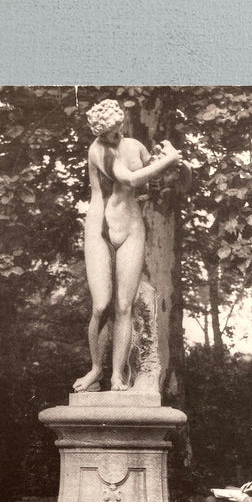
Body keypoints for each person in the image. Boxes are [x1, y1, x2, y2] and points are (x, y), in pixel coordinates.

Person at [73, 99, 184, 392]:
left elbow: (152, 171)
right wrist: (167, 161)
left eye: (118, 127)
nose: (116, 134)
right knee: (101, 305)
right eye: (109, 131)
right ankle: (97, 368)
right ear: (99, 132)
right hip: (100, 229)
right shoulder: (97, 150)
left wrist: (167, 158)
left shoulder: (133, 145)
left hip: (132, 228)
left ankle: (117, 376)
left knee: (125, 305)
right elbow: (131, 179)